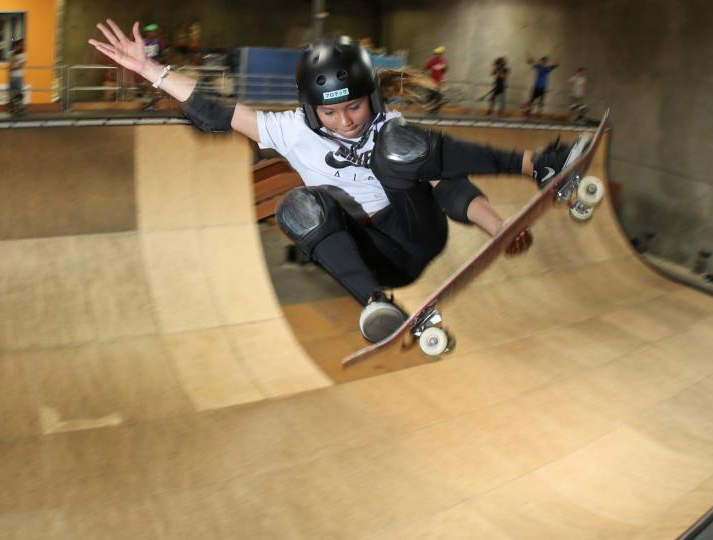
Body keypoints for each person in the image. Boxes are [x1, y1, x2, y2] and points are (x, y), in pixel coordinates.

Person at [89, 20, 583, 342]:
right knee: (296, 205)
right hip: (371, 258)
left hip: (417, 230)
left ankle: (536, 164)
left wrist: (496, 225)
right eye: (331, 112)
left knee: (399, 150)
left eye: (355, 106)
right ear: (311, 108)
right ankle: (374, 306)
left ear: (372, 97)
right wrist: (152, 70)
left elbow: (445, 184)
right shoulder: (286, 130)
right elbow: (216, 111)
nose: (346, 121)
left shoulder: (389, 129)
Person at [423, 46, 447, 113]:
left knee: (435, 97)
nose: (439, 55)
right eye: (437, 54)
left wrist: (443, 80)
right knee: (437, 96)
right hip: (432, 82)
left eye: (440, 54)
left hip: (438, 82)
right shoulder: (432, 61)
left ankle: (433, 109)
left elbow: (444, 71)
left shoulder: (443, 61)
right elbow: (426, 68)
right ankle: (430, 108)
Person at [7, 38, 25, 116]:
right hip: (12, 76)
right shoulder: (12, 54)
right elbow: (10, 65)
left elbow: (20, 66)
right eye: (19, 45)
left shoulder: (23, 55)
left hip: (18, 76)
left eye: (21, 45)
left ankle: (19, 109)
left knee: (18, 94)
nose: (20, 47)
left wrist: (13, 68)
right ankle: (12, 109)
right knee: (12, 94)